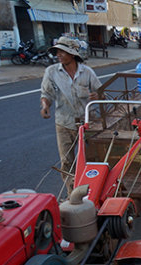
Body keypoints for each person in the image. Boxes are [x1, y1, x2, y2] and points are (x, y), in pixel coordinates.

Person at [40, 36, 101, 194]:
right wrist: (45, 106)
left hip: (88, 122)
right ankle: (72, 194)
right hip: (64, 123)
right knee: (67, 161)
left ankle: (91, 191)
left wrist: (97, 96)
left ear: (72, 54)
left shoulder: (87, 72)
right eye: (57, 51)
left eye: (63, 51)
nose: (59, 54)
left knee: (92, 159)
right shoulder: (52, 72)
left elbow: (100, 91)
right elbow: (46, 93)